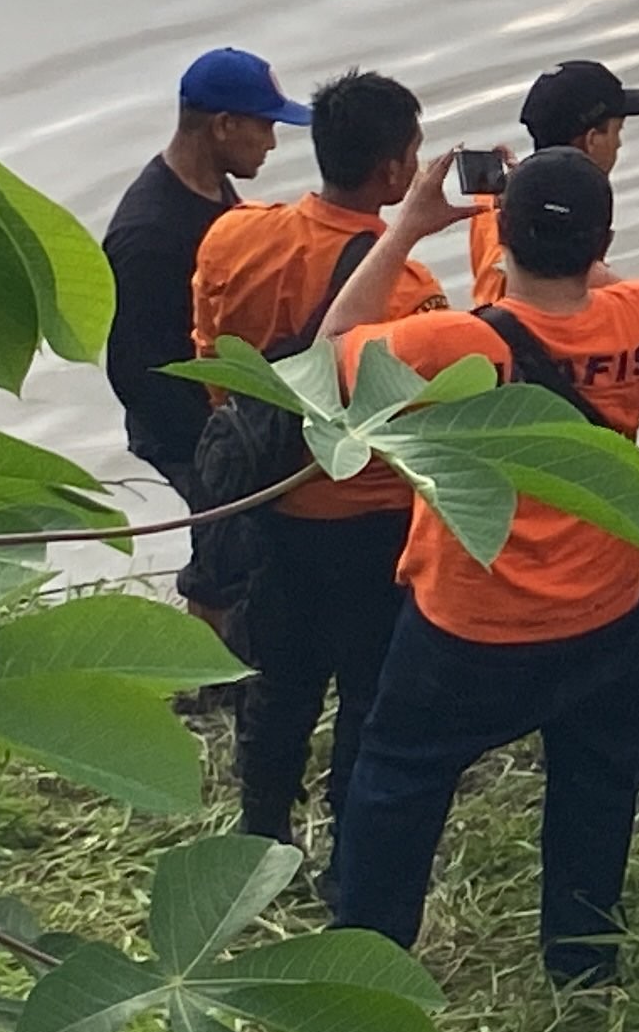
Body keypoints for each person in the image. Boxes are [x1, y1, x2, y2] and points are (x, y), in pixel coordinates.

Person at [321, 147, 639, 985]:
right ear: (604, 239)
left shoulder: (450, 344)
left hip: (473, 621)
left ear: (501, 235)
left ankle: (368, 971)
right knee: (595, 786)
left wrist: (410, 224)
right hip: (607, 606)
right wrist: (564, 225)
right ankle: (583, 967)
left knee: (399, 782)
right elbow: (607, 288)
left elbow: (333, 347)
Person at [186, 71, 454, 844]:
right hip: (366, 516)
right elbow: (421, 416)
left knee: (276, 683)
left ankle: (261, 830)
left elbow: (210, 357)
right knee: (370, 690)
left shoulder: (233, 235)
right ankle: (351, 834)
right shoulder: (407, 286)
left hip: (262, 501)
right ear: (398, 173)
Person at [101, 47, 304, 624]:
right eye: (264, 126)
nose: (270, 142)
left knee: (248, 544)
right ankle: (210, 678)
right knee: (226, 543)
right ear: (224, 126)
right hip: (181, 421)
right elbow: (131, 370)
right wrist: (216, 448)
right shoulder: (149, 234)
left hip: (224, 404)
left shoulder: (213, 190)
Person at [468, 59, 639, 307]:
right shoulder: (575, 251)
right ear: (592, 140)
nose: (619, 143)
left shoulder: (490, 204)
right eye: (616, 131)